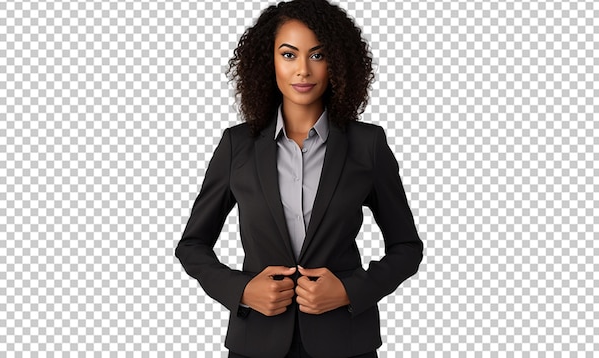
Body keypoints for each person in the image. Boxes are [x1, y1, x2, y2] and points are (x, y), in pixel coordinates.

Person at [175, 0, 423, 357]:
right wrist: (242, 291)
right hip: (257, 342)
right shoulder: (237, 146)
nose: (303, 70)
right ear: (269, 62)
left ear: (336, 62)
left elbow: (406, 248)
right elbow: (192, 246)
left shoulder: (367, 145)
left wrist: (351, 291)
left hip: (345, 342)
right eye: (289, 55)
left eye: (318, 55)